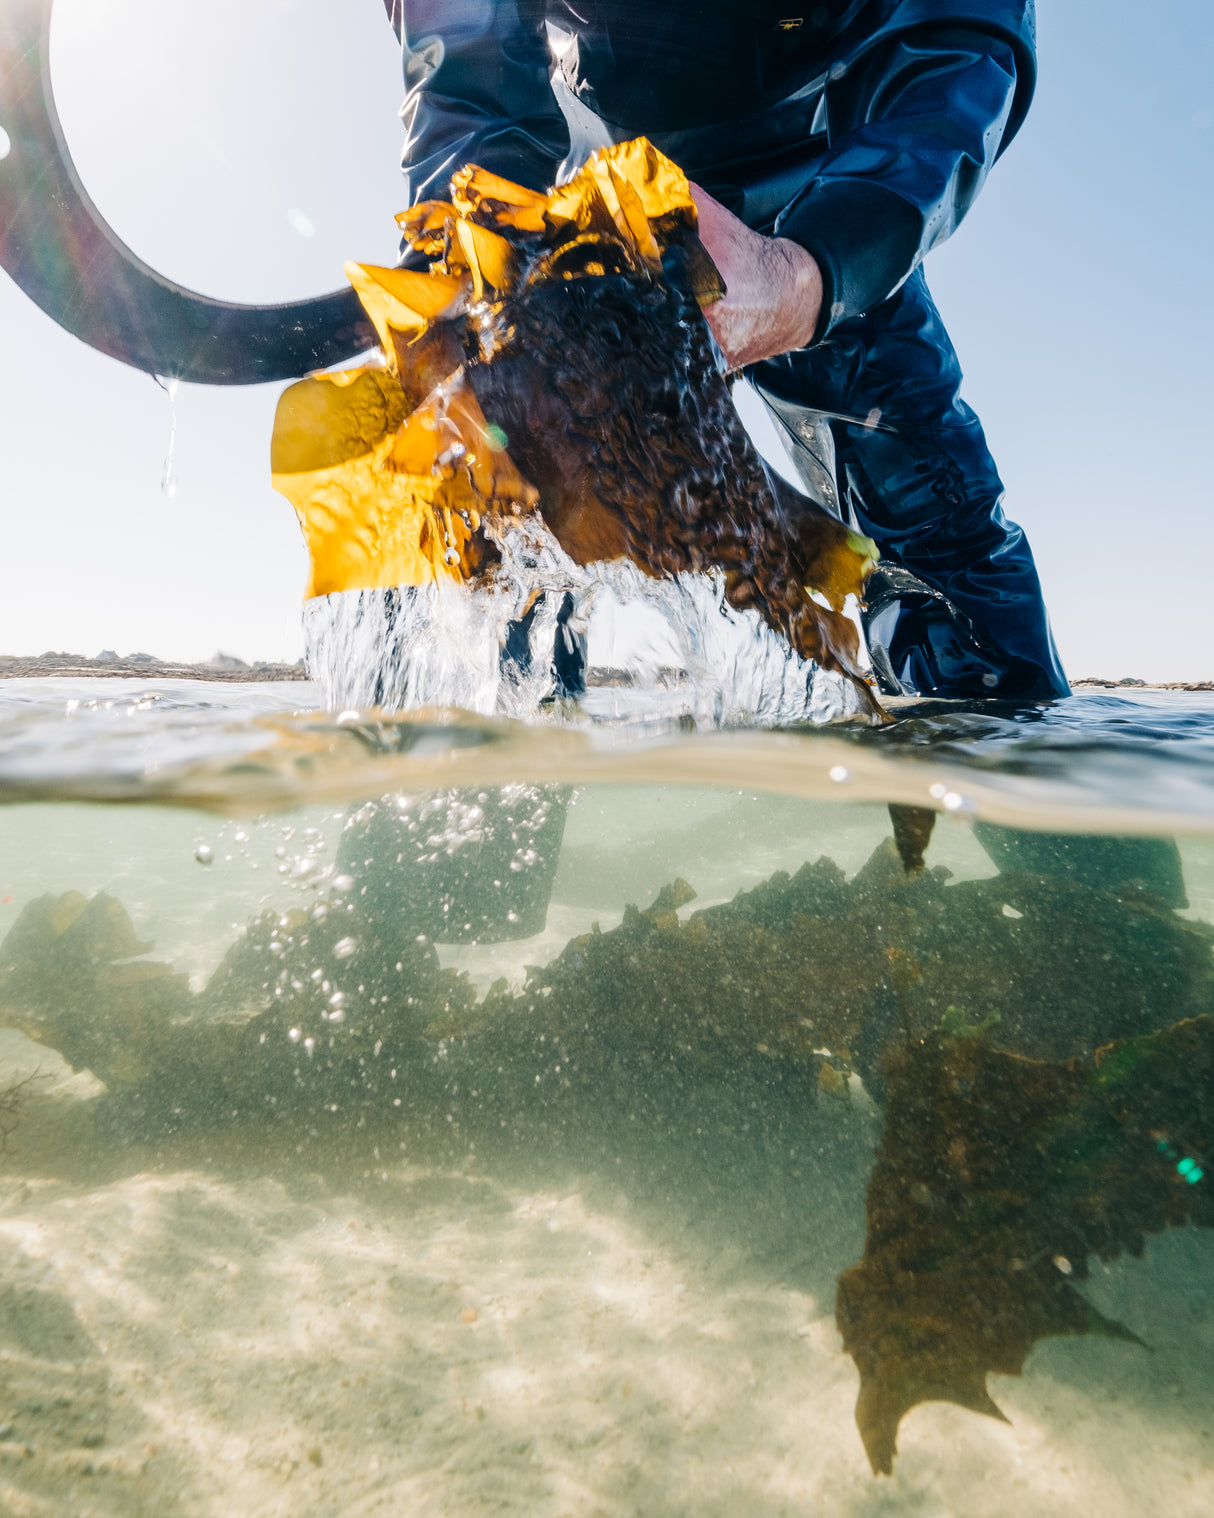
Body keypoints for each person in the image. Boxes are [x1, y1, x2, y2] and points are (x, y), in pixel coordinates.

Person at [379, 0, 1068, 701]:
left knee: (942, 540)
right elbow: (465, 56)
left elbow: (958, 31)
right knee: (486, 507)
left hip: (824, 196)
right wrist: (468, 262)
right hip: (595, 208)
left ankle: (1004, 775)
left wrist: (815, 270)